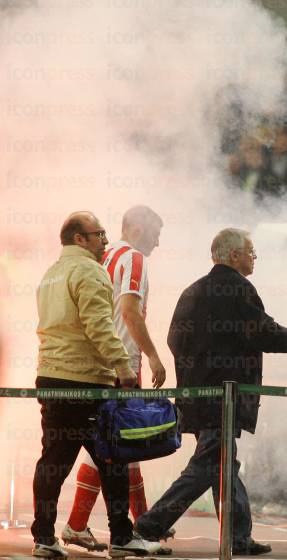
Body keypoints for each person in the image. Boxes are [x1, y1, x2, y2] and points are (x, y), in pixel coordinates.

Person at [133, 228, 287, 555]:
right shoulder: (239, 289)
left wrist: (195, 370)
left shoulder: (192, 291)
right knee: (208, 467)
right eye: (251, 252)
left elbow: (174, 339)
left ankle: (238, 537)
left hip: (196, 396)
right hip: (223, 400)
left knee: (223, 465)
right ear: (233, 255)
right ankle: (150, 523)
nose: (255, 257)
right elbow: (263, 332)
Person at [31, 211, 161, 558]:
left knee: (54, 461)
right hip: (87, 379)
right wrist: (123, 366)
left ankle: (44, 536)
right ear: (79, 238)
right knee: (112, 457)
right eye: (98, 233)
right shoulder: (89, 271)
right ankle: (121, 537)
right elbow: (100, 327)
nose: (105, 239)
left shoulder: (52, 273)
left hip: (52, 376)